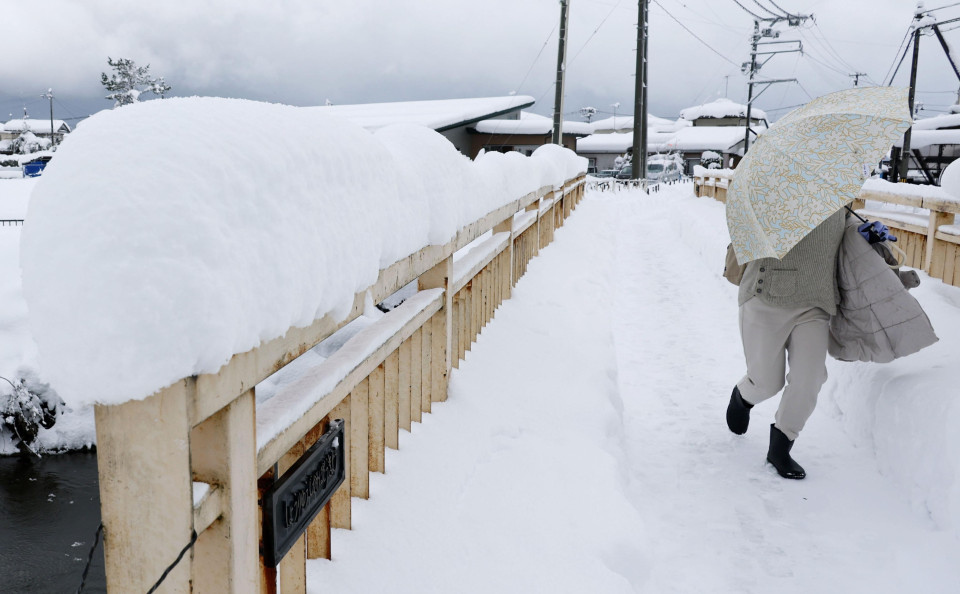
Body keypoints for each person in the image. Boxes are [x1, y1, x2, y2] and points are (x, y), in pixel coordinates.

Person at [725, 207, 852, 479]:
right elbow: (745, 233)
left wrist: (869, 235)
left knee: (811, 379)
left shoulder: (836, 194)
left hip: (815, 303)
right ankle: (743, 397)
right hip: (765, 297)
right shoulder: (774, 190)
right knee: (767, 382)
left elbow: (844, 238)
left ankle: (781, 445)